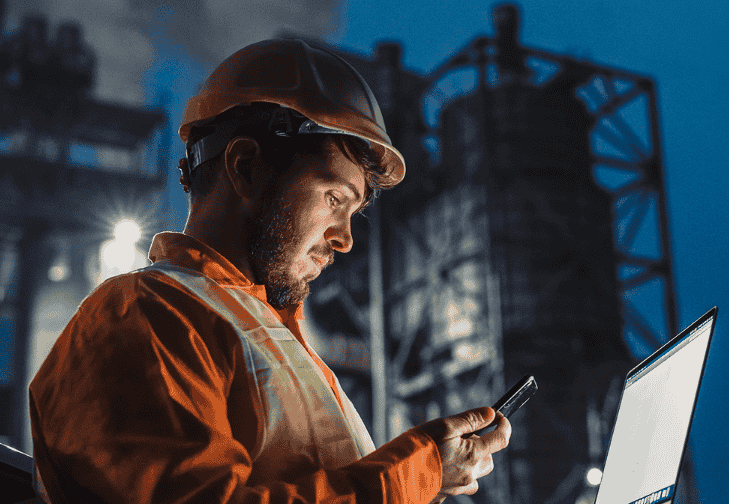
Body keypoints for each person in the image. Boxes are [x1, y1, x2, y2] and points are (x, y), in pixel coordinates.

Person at [28, 39, 511, 504]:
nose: (344, 238)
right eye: (334, 199)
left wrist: (428, 479)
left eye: (354, 211)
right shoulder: (145, 315)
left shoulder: (277, 343)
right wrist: (415, 475)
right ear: (246, 168)